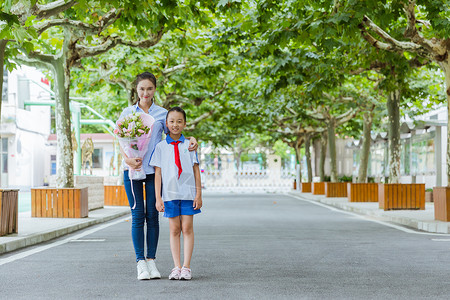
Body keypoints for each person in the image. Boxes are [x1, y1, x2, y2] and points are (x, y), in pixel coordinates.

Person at [118, 72, 198, 280]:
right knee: (137, 216)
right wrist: (127, 160)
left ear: (155, 89)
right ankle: (140, 263)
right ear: (136, 89)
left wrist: (193, 139)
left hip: (154, 173)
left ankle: (152, 261)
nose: (145, 93)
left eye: (149, 89)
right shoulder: (127, 112)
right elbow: (119, 141)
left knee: (153, 216)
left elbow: (174, 134)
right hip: (132, 171)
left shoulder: (162, 114)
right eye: (142, 89)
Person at [150, 106, 202, 281]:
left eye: (179, 121)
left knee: (187, 228)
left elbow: (196, 170)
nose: (175, 124)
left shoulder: (190, 145)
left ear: (185, 124)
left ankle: (186, 267)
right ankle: (176, 267)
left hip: (188, 193)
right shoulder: (160, 147)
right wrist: (158, 197)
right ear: (166, 123)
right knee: (174, 229)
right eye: (171, 121)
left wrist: (198, 194)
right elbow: (158, 173)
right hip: (170, 194)